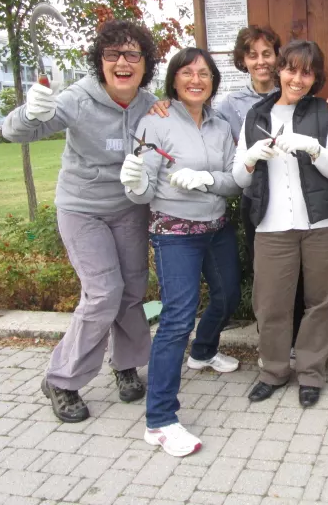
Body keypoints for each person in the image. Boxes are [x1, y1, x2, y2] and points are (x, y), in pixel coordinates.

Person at [150, 25, 328, 368]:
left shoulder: (321, 109)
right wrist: (167, 104)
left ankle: (307, 362)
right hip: (265, 213)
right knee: (272, 297)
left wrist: (317, 137)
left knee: (313, 295)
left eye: (267, 54)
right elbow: (226, 151)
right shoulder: (242, 110)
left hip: (317, 217)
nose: (262, 62)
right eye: (253, 55)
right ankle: (274, 366)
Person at [2, 20, 160, 423]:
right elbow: (15, 132)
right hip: (82, 208)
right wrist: (29, 111)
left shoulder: (149, 104)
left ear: (145, 63)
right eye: (112, 54)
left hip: (128, 207)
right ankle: (61, 378)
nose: (122, 62)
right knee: (104, 292)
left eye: (132, 54)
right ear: (100, 61)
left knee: (131, 291)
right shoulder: (77, 99)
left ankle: (124, 363)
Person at [120, 47, 242, 456]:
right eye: (188, 73)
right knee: (176, 319)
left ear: (213, 82)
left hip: (216, 226)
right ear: (174, 79)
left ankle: (204, 352)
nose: (196, 79)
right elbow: (140, 188)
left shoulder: (221, 126)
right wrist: (134, 181)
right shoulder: (155, 122)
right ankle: (160, 420)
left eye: (204, 74)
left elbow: (234, 180)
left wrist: (206, 178)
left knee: (229, 297)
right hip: (174, 232)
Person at [233, 40, 328, 408]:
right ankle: (274, 371)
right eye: (291, 69)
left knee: (320, 301)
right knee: (270, 304)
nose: (297, 79)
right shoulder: (256, 116)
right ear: (279, 69)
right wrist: (250, 158)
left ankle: (311, 372)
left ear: (316, 77)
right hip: (271, 225)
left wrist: (313, 149)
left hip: (322, 223)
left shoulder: (327, 113)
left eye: (307, 72)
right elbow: (239, 177)